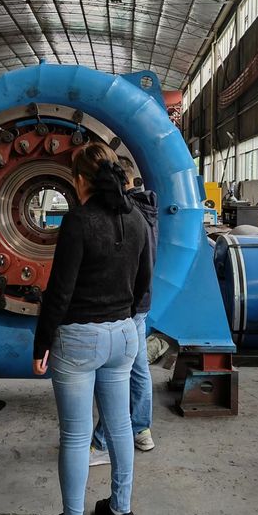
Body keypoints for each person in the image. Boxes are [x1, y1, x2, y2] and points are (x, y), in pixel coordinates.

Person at [33, 142, 151, 515]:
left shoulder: (79, 221)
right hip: (124, 336)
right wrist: (121, 317)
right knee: (120, 426)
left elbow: (59, 292)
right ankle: (121, 513)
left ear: (80, 179)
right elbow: (144, 281)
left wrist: (42, 343)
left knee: (76, 435)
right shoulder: (137, 218)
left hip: (79, 340)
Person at [90, 157, 158, 465]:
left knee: (115, 375)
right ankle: (141, 429)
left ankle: (104, 440)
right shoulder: (147, 210)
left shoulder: (127, 215)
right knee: (138, 368)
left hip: (124, 304)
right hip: (140, 301)